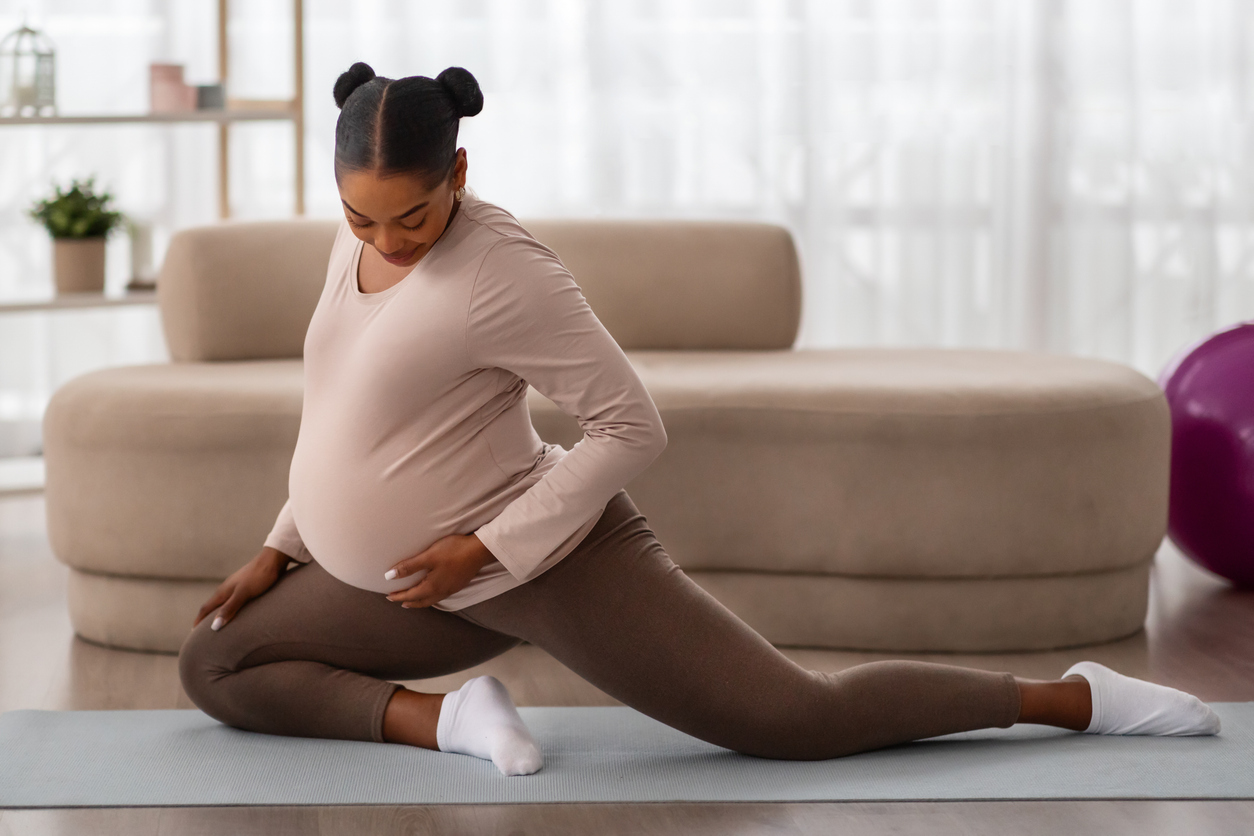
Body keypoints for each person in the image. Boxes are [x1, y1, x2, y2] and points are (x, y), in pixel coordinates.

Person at [177, 62, 1221, 778]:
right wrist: (283, 542)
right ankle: (454, 717)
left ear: (459, 171)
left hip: (546, 556)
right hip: (416, 578)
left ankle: (1074, 698)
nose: (390, 239)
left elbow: (632, 425)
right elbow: (346, 411)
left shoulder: (502, 271)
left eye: (413, 213)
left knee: (796, 721)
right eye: (364, 216)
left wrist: (484, 546)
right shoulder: (352, 241)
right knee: (217, 661)